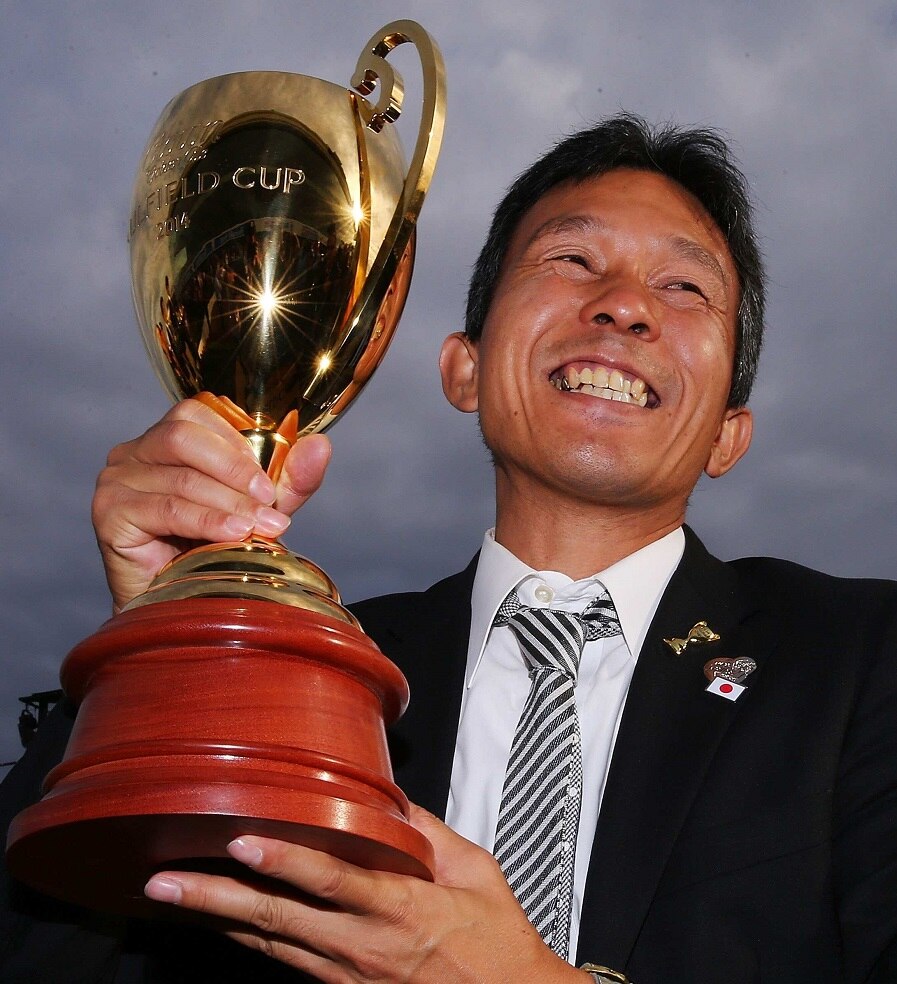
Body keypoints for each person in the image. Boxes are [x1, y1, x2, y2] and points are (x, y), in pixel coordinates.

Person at [2, 114, 895, 983]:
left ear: (728, 436)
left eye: (684, 288)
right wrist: (164, 660)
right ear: (461, 367)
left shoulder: (860, 658)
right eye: (571, 259)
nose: (622, 305)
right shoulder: (316, 672)